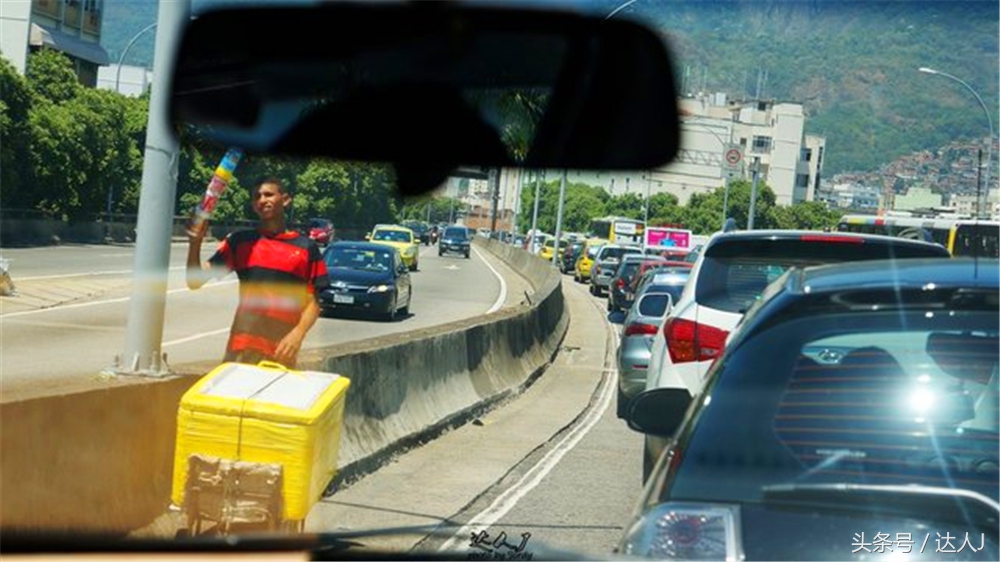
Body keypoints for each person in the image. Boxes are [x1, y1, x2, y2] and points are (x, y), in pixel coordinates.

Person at [186, 178, 329, 367]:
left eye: (268, 194)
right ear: (253, 205)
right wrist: (195, 243)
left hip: (281, 352)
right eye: (257, 197)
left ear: (285, 200)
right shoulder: (241, 241)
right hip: (240, 349)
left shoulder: (306, 248)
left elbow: (313, 303)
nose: (262, 200)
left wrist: (298, 334)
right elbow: (194, 281)